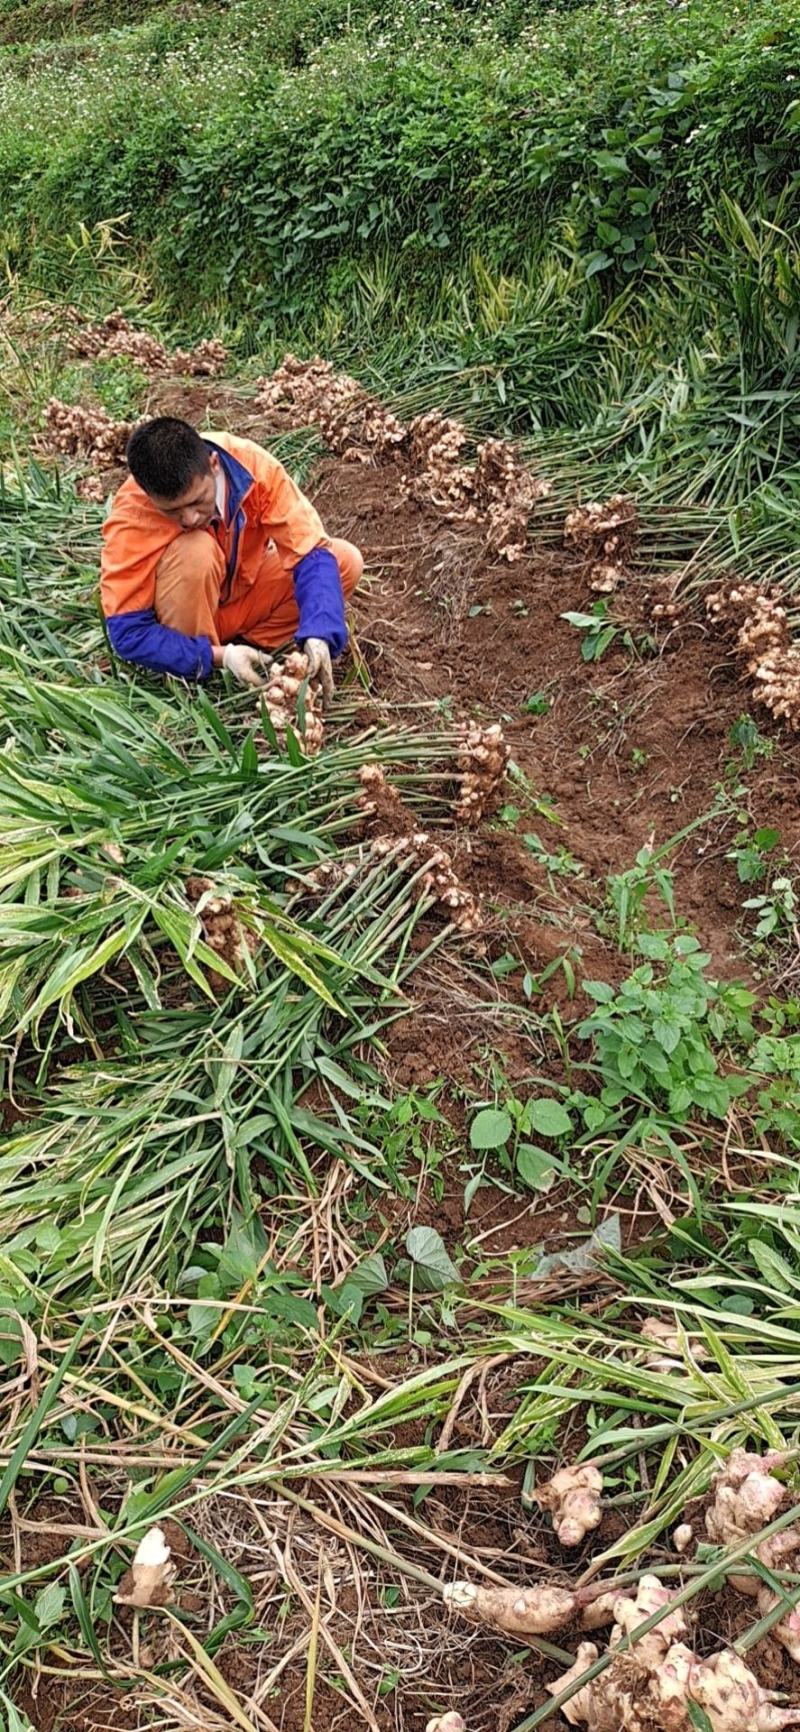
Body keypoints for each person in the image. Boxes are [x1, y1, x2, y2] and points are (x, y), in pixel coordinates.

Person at [100, 417, 363, 699]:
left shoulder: (252, 467)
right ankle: (207, 667)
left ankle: (253, 650)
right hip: (185, 622)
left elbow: (310, 551)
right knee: (196, 551)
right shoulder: (134, 509)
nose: (189, 518)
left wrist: (320, 632)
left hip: (238, 601)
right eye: (172, 511)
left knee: (343, 561)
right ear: (150, 496)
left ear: (214, 465)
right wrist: (219, 656)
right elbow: (128, 632)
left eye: (196, 501)